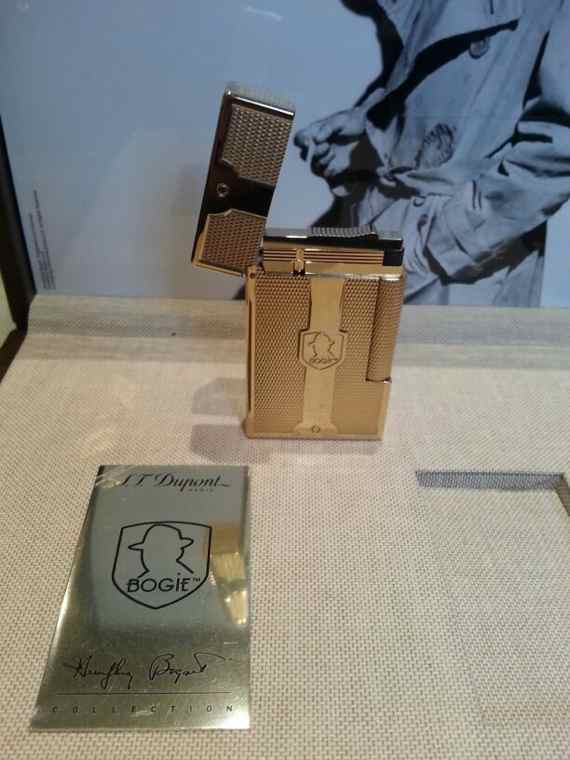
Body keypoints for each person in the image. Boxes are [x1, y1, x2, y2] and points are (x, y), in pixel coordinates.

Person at [294, 0, 570, 305]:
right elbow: (431, 76)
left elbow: (556, 150)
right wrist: (369, 129)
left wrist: (446, 240)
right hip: (380, 223)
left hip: (455, 258)